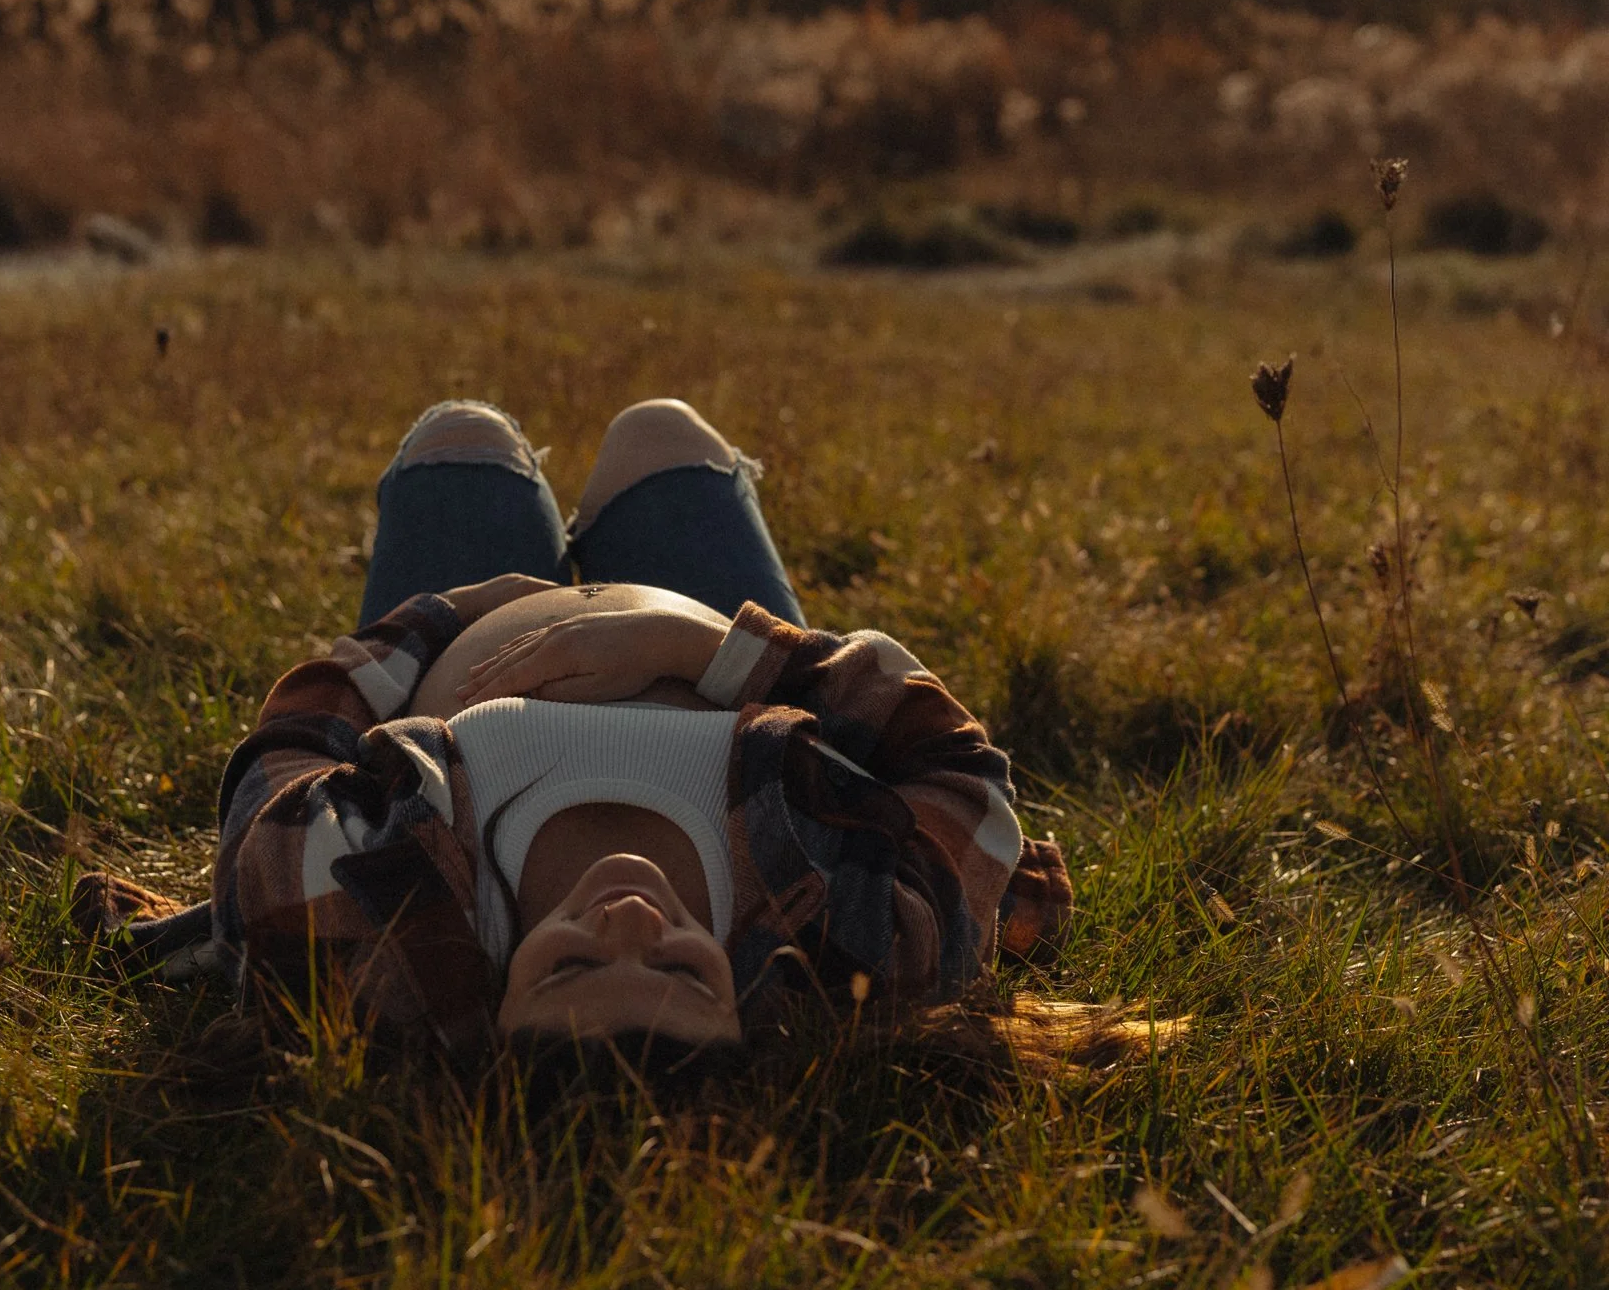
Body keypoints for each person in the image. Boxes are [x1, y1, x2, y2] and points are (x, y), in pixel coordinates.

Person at [72, 399, 1074, 1072]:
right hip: (707, 624)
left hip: (452, 629)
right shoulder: (854, 947)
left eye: (569, 966)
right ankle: (643, 522)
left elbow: (286, 752)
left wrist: (441, 619)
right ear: (738, 1013)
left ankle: (503, 516)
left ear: (497, 1010)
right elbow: (956, 768)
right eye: (683, 969)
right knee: (660, 434)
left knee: (459, 435)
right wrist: (705, 647)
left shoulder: (379, 927)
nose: (631, 920)